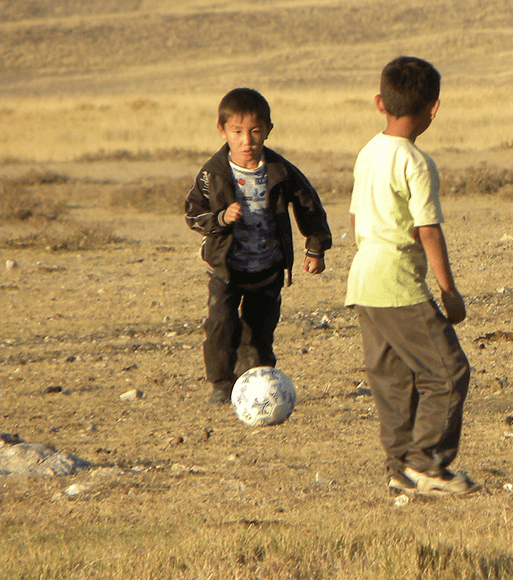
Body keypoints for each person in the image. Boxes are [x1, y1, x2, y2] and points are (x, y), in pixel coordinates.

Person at [345, 56, 480, 497]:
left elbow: (352, 218)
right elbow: (427, 230)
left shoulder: (368, 151)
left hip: (363, 277)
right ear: (434, 108)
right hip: (396, 279)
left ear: (380, 102)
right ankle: (427, 463)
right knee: (447, 371)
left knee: (394, 380)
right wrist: (448, 290)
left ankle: (399, 468)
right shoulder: (416, 162)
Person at [184, 88, 332, 404]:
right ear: (222, 130)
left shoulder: (280, 170)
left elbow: (309, 206)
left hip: (268, 266)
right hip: (227, 267)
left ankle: (258, 387)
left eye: (255, 131)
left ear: (267, 130)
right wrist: (222, 218)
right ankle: (222, 384)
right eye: (237, 132)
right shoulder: (213, 174)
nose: (247, 141)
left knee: (260, 334)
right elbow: (193, 214)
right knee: (221, 326)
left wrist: (315, 247)